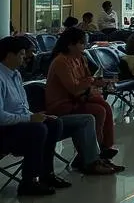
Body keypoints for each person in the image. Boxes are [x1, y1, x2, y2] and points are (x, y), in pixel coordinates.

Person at [44, 28, 122, 170]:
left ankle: (103, 149)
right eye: (81, 43)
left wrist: (98, 82)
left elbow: (85, 82)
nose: (84, 46)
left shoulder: (80, 58)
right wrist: (91, 81)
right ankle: (92, 154)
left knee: (105, 106)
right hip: (62, 104)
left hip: (78, 99)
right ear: (70, 45)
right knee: (98, 111)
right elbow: (74, 89)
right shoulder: (61, 61)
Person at [0, 36, 68, 196]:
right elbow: (1, 117)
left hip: (17, 125)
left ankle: (46, 173)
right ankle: (29, 181)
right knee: (37, 130)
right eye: (22, 54)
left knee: (53, 123)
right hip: (4, 130)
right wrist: (30, 119)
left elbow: (21, 109)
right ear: (9, 55)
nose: (25, 58)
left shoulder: (15, 75)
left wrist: (35, 115)